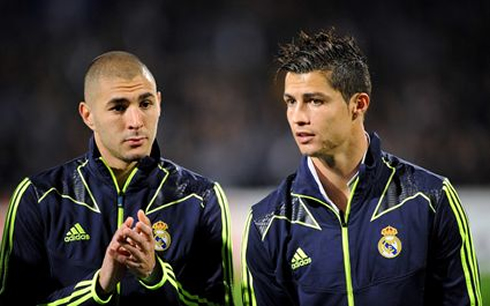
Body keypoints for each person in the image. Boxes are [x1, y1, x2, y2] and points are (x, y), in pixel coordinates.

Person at [241, 29, 482, 305]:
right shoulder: (268, 223)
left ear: (358, 104)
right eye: (291, 102)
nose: (298, 117)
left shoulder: (430, 198)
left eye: (314, 101)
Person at [0, 51, 234, 305]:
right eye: (119, 107)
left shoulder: (199, 198)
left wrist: (156, 277)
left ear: (159, 104)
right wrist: (99, 287)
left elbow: (219, 302)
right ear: (88, 115)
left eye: (145, 104)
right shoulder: (40, 197)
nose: (136, 121)